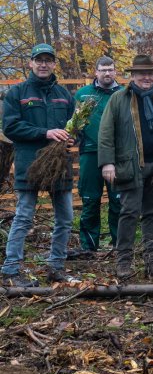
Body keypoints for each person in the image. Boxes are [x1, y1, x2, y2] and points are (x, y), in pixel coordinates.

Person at [98, 54, 153, 280]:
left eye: (150, 73)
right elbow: (106, 132)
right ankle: (123, 260)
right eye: (141, 73)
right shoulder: (118, 99)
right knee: (129, 212)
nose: (146, 77)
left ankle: (152, 259)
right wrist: (107, 162)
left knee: (152, 213)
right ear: (133, 75)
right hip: (130, 166)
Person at [1, 43, 77, 287]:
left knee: (65, 218)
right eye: (39, 60)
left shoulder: (64, 95)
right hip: (29, 163)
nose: (43, 64)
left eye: (48, 60)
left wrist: (75, 136)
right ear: (31, 63)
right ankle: (11, 270)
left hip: (58, 165)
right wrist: (46, 132)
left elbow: (76, 126)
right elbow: (10, 128)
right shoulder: (18, 93)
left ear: (54, 63)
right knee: (24, 216)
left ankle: (56, 266)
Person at [75, 56, 122, 252]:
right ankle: (89, 247)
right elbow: (75, 123)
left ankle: (120, 246)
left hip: (118, 155)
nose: (107, 73)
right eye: (103, 70)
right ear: (96, 72)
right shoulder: (83, 94)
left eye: (110, 69)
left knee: (118, 202)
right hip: (90, 152)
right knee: (90, 200)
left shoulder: (124, 94)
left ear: (115, 72)